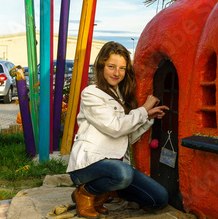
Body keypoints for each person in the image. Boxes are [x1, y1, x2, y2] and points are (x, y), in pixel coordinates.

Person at [67, 41, 169, 218]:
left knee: (159, 198)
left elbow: (128, 137)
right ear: (101, 66)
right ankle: (85, 192)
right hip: (89, 165)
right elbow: (115, 128)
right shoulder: (91, 93)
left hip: (116, 169)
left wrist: (148, 118)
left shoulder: (121, 95)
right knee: (123, 172)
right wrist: (144, 110)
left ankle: (105, 191)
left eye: (122, 68)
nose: (117, 73)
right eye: (111, 66)